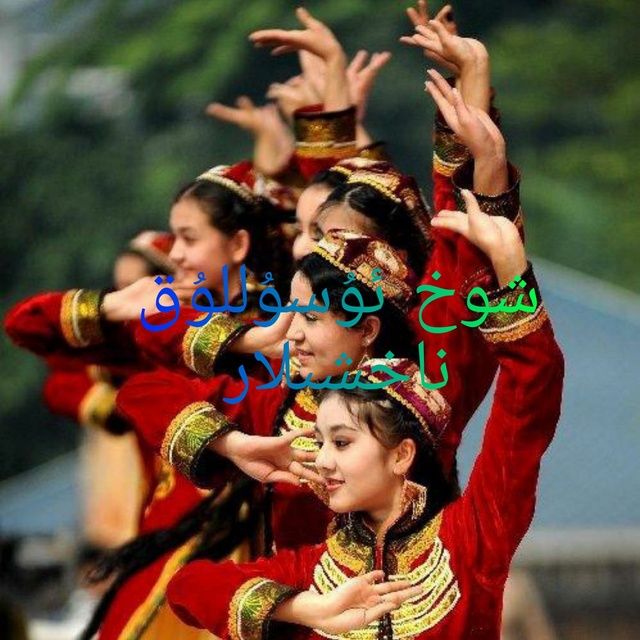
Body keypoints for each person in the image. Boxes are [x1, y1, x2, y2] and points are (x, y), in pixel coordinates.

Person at [164, 190, 565, 640]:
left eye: (341, 442)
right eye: (322, 441)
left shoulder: (471, 539)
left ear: (401, 454)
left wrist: (512, 275)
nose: (323, 461)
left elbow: (528, 401)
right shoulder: (313, 569)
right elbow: (187, 588)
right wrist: (308, 608)